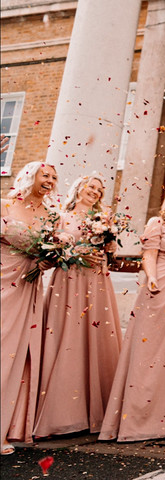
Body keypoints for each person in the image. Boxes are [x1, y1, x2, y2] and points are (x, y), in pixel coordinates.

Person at [99, 183, 165, 442]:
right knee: (150, 351)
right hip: (160, 288)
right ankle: (136, 421)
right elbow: (148, 255)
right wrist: (153, 278)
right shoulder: (157, 223)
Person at [34, 174, 122, 437]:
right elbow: (49, 252)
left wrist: (109, 243)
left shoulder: (103, 219)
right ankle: (63, 415)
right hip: (69, 283)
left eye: (99, 189)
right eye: (91, 187)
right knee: (68, 337)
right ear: (78, 188)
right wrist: (75, 253)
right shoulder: (60, 217)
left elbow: (112, 254)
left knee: (96, 338)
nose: (95, 192)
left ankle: (98, 411)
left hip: (96, 282)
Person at [1, 161, 58, 454]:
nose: (50, 179)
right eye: (44, 174)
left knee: (16, 354)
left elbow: (46, 255)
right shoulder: (5, 205)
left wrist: (47, 261)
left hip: (29, 285)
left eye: (54, 177)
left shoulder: (51, 216)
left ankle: (5, 427)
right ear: (29, 176)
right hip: (3, 279)